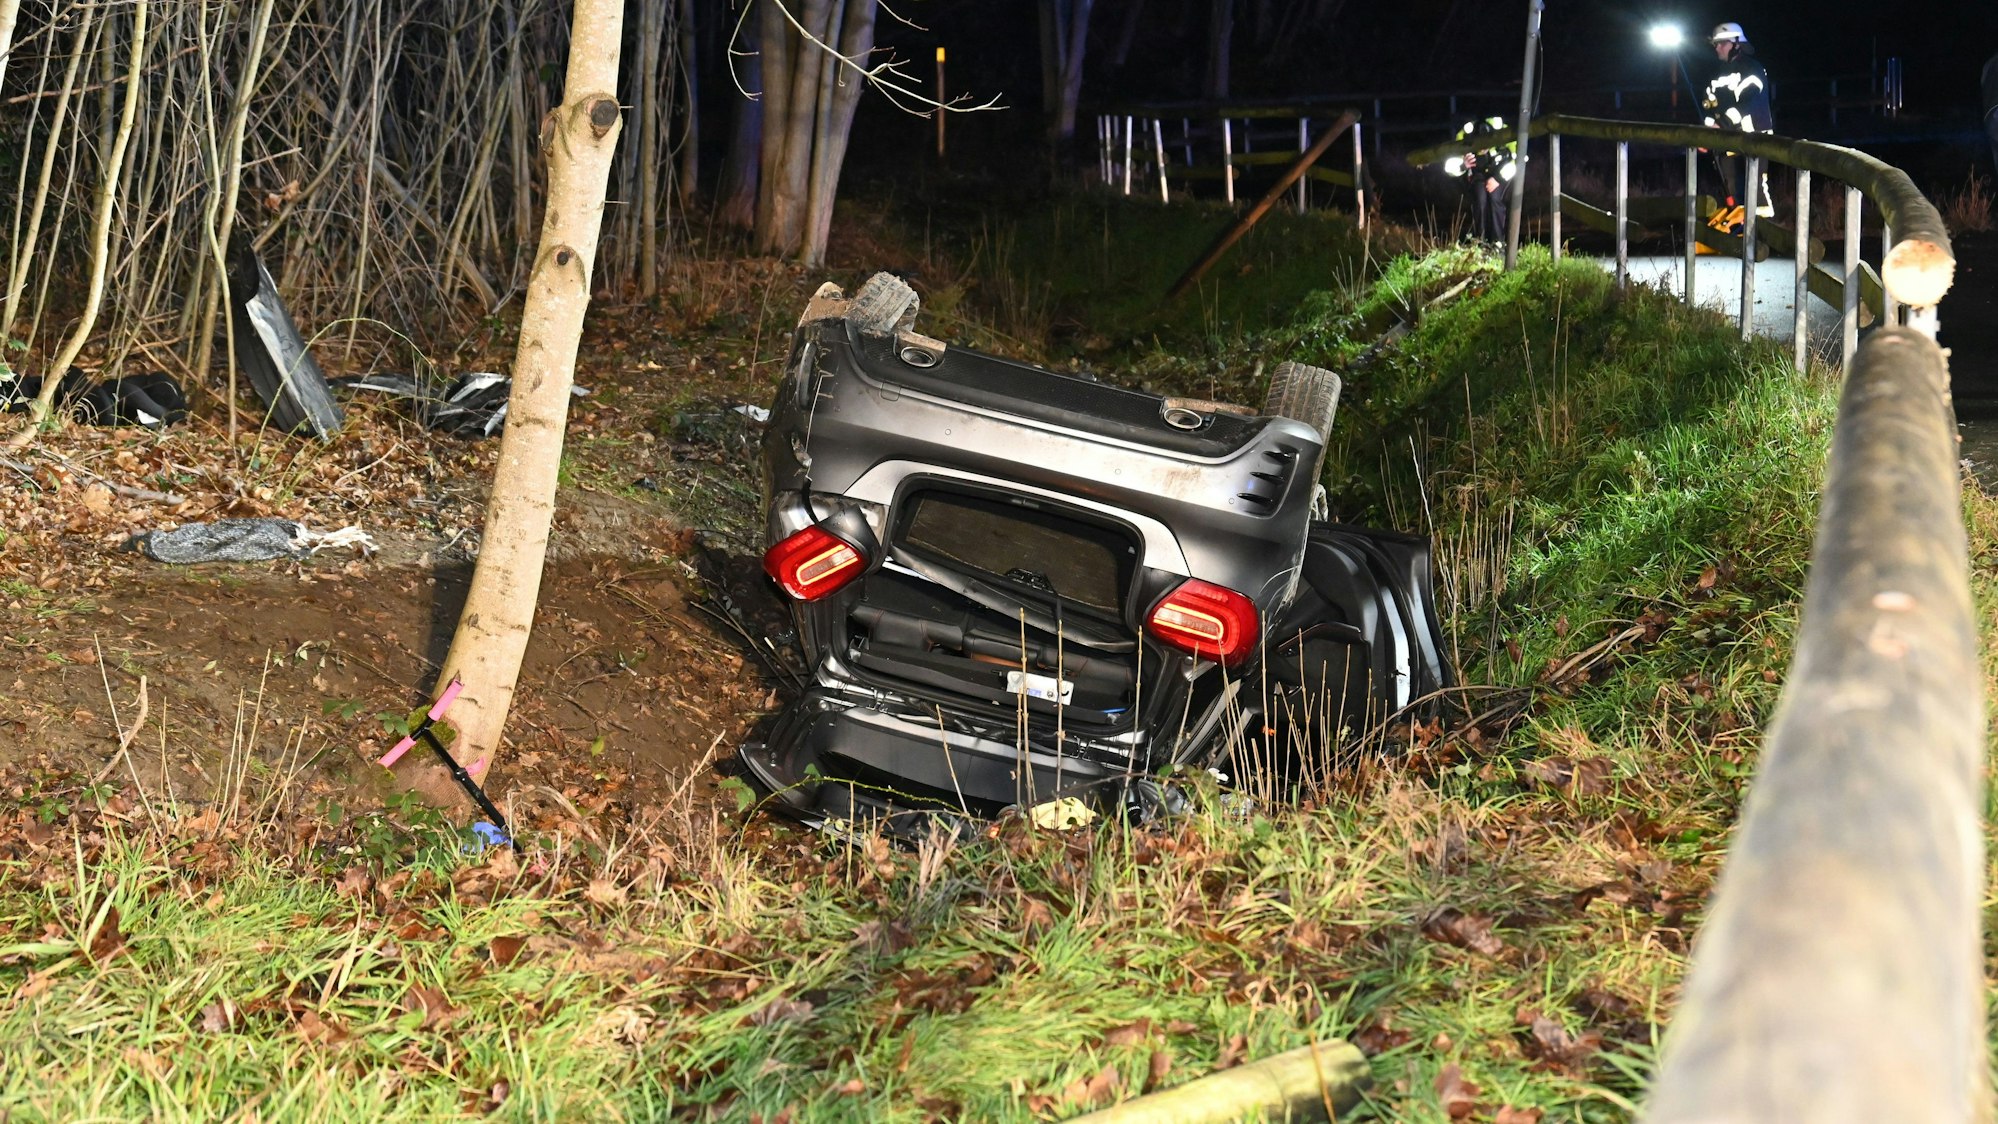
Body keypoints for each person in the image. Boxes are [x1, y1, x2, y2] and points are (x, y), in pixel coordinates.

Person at [1700, 22, 1774, 236]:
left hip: (1754, 138)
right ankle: (1741, 234)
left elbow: (1748, 103)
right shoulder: (1716, 75)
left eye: (1721, 43)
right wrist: (1706, 134)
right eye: (1715, 44)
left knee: (1756, 189)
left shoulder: (1752, 69)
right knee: (1732, 187)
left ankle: (1763, 235)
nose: (1717, 48)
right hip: (1727, 139)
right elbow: (1710, 107)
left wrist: (1721, 124)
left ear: (1736, 44)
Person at [1442, 117, 1517, 244]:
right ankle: (1480, 241)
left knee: (1495, 199)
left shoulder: (1503, 134)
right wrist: (1463, 165)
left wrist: (1498, 179)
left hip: (1499, 172)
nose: (1482, 149)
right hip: (1477, 174)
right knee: (1480, 200)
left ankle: (1498, 242)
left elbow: (1515, 162)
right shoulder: (1464, 137)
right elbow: (1449, 167)